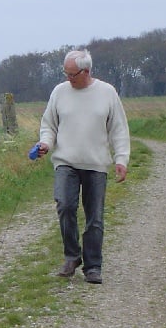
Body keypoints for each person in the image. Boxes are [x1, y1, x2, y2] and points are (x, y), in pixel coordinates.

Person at [33, 49, 130, 284]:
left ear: (86, 71)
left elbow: (118, 129)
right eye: (65, 73)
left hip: (96, 164)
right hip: (65, 162)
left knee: (94, 217)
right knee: (65, 205)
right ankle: (72, 256)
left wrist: (121, 159)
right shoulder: (59, 92)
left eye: (72, 74)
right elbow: (49, 125)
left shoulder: (107, 93)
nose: (68, 78)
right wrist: (45, 143)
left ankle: (93, 266)